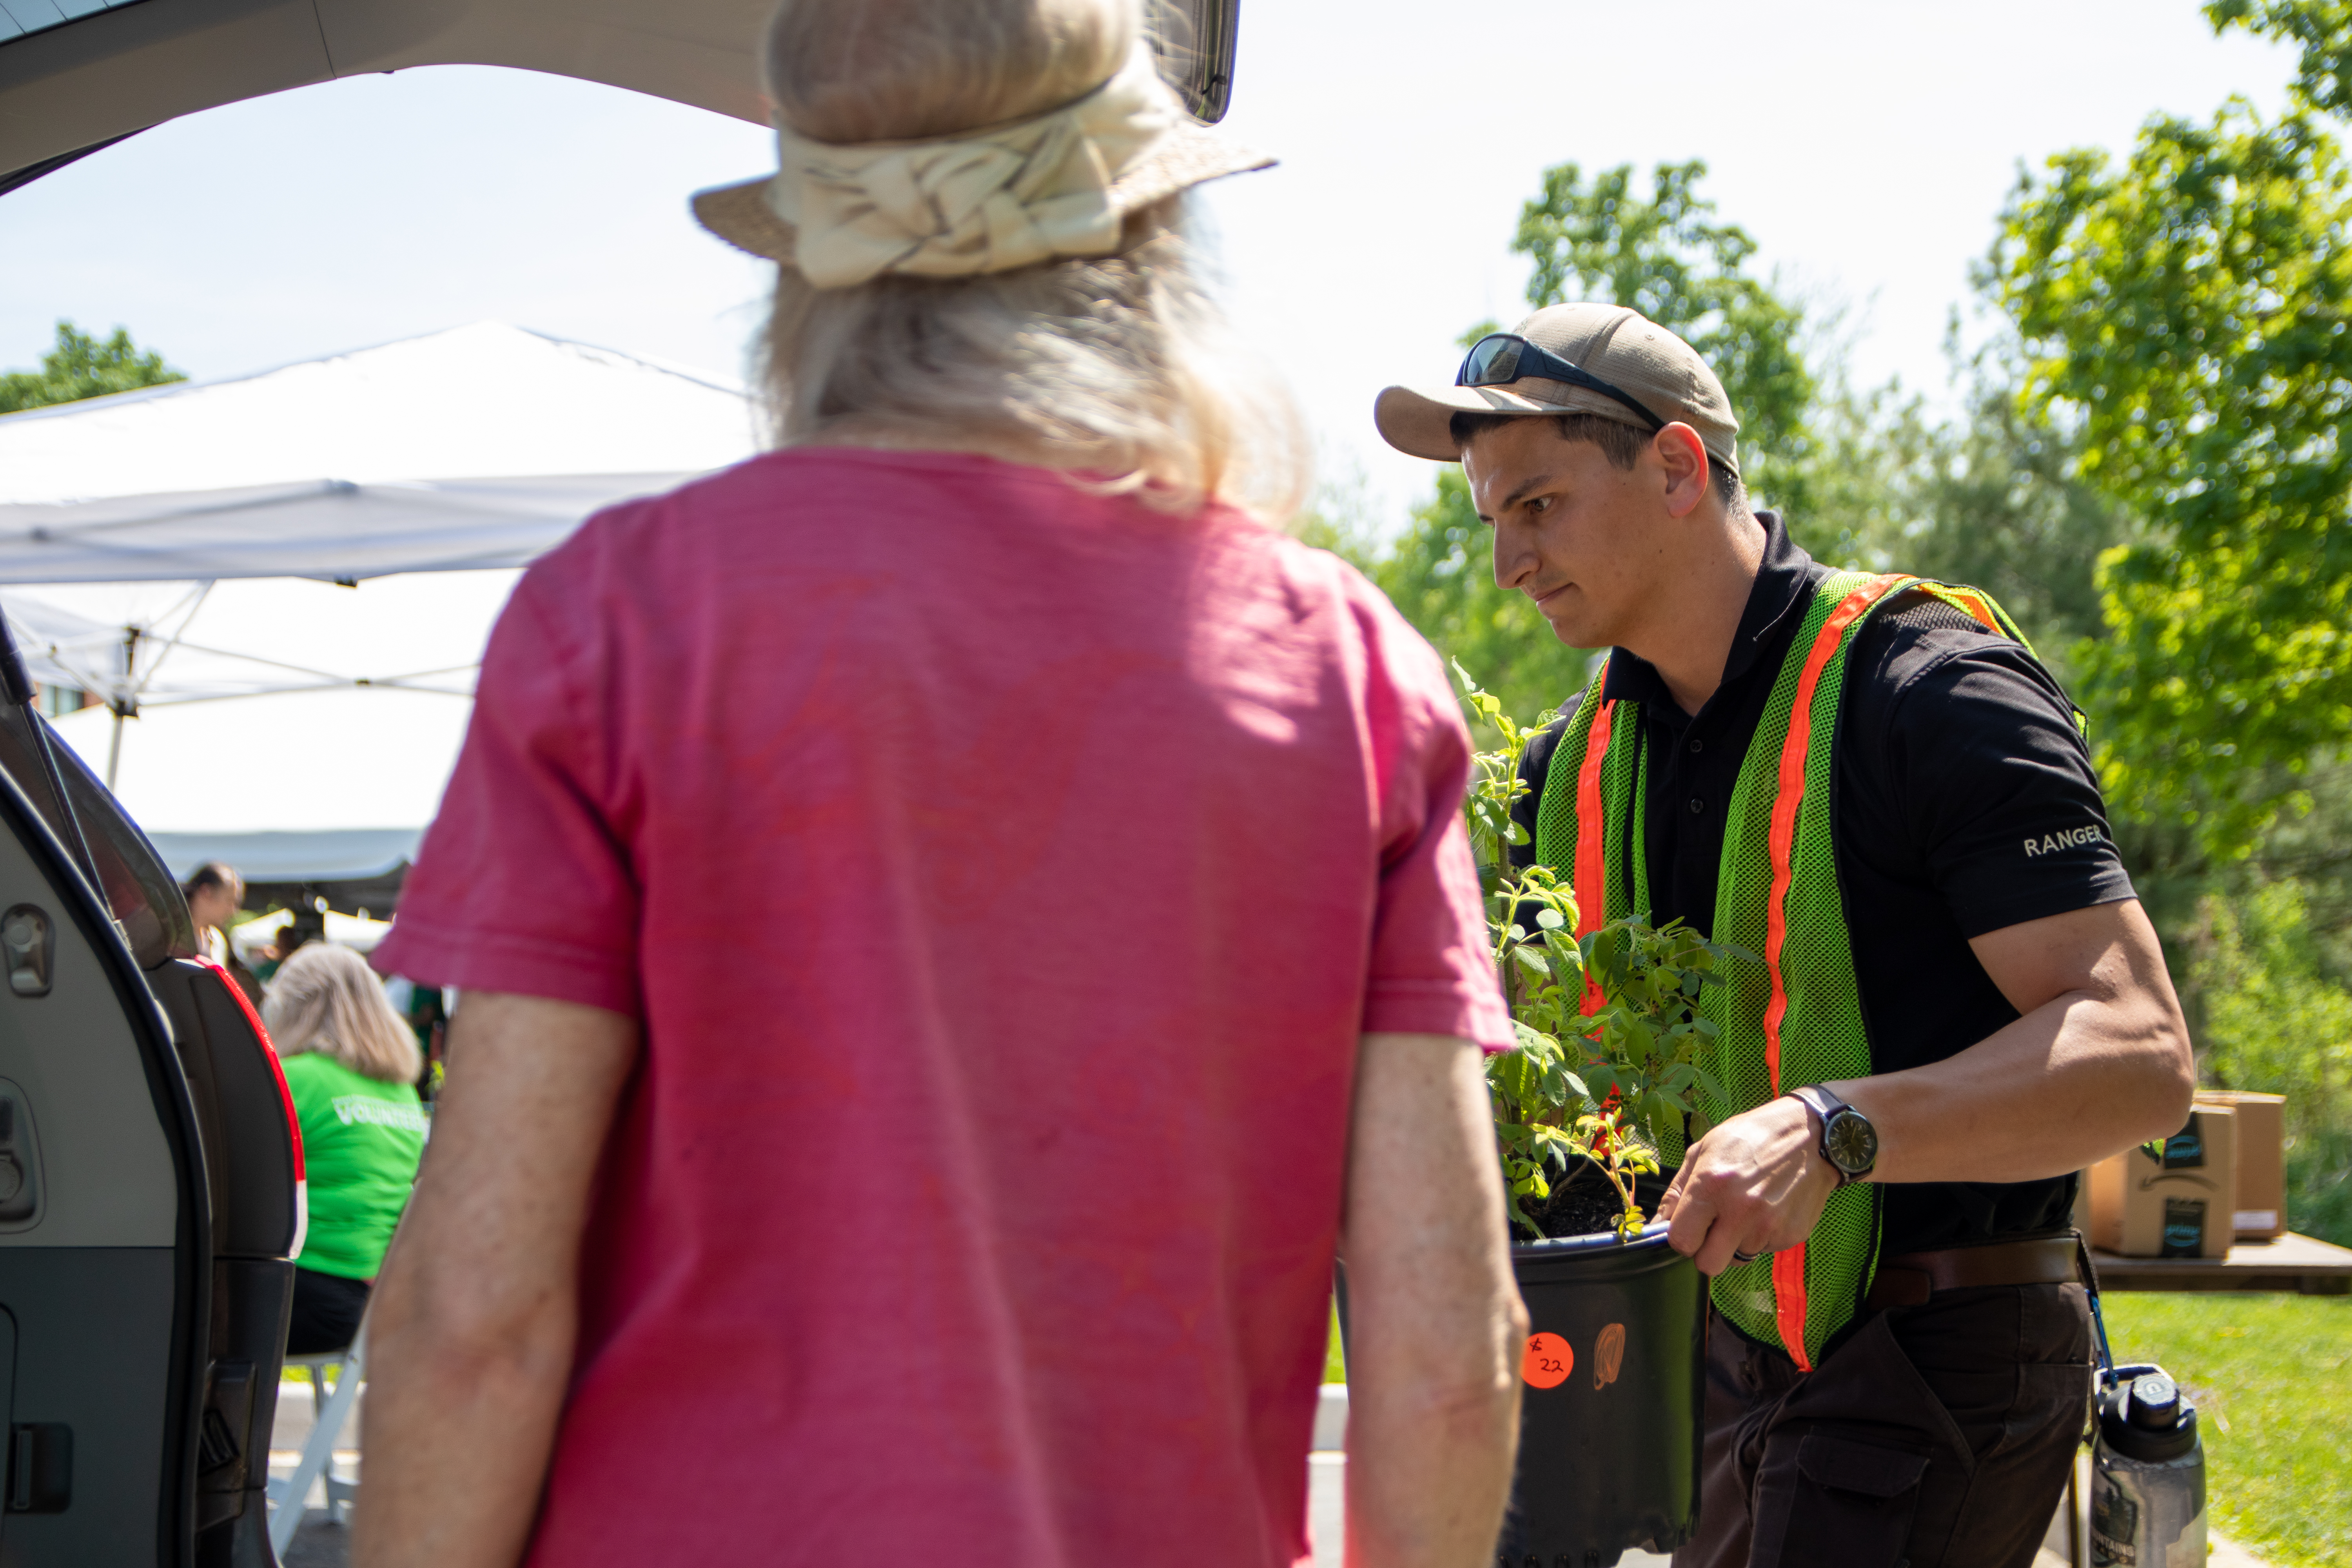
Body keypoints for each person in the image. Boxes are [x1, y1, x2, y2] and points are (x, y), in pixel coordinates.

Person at [353, 2, 1525, 1563]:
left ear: (809, 263)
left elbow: (474, 1317)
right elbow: (1448, 1360)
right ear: (1153, 240)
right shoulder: (1345, 672)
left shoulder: (625, 619)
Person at [1373, 303, 2197, 1568]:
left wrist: (1834, 1129)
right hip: (1728, 1362)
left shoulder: (1933, 692)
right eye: (1492, 521)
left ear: (1677, 468)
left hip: (1941, 1349)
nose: (1508, 563)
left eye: (1536, 506)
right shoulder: (1572, 772)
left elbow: (2141, 1054)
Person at [264, 942, 428, 1355]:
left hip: (285, 1300)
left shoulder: (294, 1078)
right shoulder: (402, 1093)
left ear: (295, 1005)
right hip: (362, 1308)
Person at [181, 860, 262, 1004]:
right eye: (230, 902)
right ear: (206, 893)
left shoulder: (218, 940)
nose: (233, 912)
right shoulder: (169, 931)